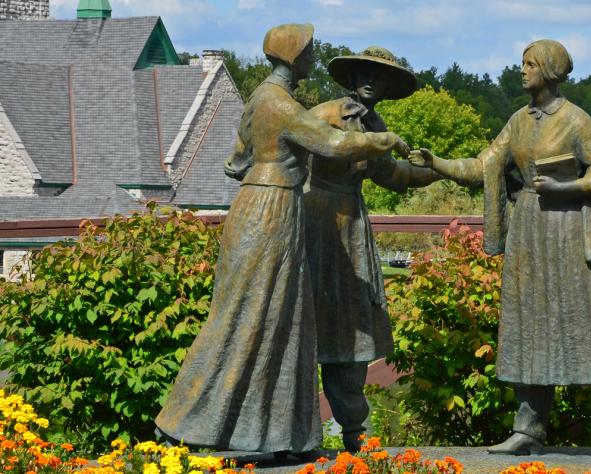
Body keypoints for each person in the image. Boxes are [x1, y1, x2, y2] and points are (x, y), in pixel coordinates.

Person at [154, 23, 410, 457]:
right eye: (308, 51)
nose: (312, 57)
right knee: (250, 315)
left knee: (278, 320)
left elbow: (236, 161)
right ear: (293, 54)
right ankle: (189, 421)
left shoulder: (262, 99)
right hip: (271, 208)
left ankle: (278, 434)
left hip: (266, 201)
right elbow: (330, 143)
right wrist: (386, 140)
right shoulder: (280, 103)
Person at [409, 39, 591, 461]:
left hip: (572, 232)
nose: (523, 71)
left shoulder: (575, 119)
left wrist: (569, 186)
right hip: (531, 235)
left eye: (530, 64)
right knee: (530, 329)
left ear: (549, 71)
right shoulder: (518, 121)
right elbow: (485, 166)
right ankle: (527, 429)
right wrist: (438, 162)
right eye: (522, 63)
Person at [303, 46, 440, 451]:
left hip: (352, 225)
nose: (370, 82)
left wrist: (438, 169)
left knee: (351, 329)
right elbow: (307, 151)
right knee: (308, 320)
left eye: (379, 78)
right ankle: (300, 429)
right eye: (364, 73)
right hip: (317, 221)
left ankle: (353, 433)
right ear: (351, 76)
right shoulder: (325, 115)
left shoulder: (375, 123)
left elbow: (394, 175)